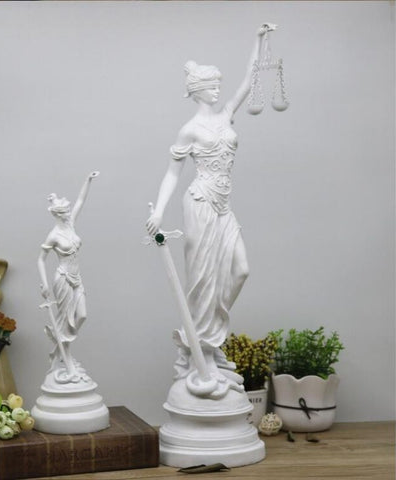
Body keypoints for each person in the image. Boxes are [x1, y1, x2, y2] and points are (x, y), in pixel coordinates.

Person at [146, 24, 276, 389]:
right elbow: (172, 173)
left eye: (219, 84)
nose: (219, 89)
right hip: (200, 203)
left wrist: (259, 41)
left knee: (240, 270)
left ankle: (208, 337)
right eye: (212, 85)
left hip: (223, 206)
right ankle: (198, 347)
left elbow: (248, 80)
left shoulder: (226, 114)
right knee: (202, 280)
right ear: (197, 90)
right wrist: (158, 210)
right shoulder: (188, 130)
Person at [38, 171, 99, 379]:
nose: (68, 213)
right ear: (56, 214)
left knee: (81, 315)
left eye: (68, 210)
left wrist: (88, 180)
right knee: (65, 320)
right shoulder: (53, 235)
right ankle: (67, 358)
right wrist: (44, 285)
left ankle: (57, 352)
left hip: (77, 278)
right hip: (63, 278)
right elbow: (41, 259)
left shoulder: (71, 223)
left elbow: (81, 200)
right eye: (64, 211)